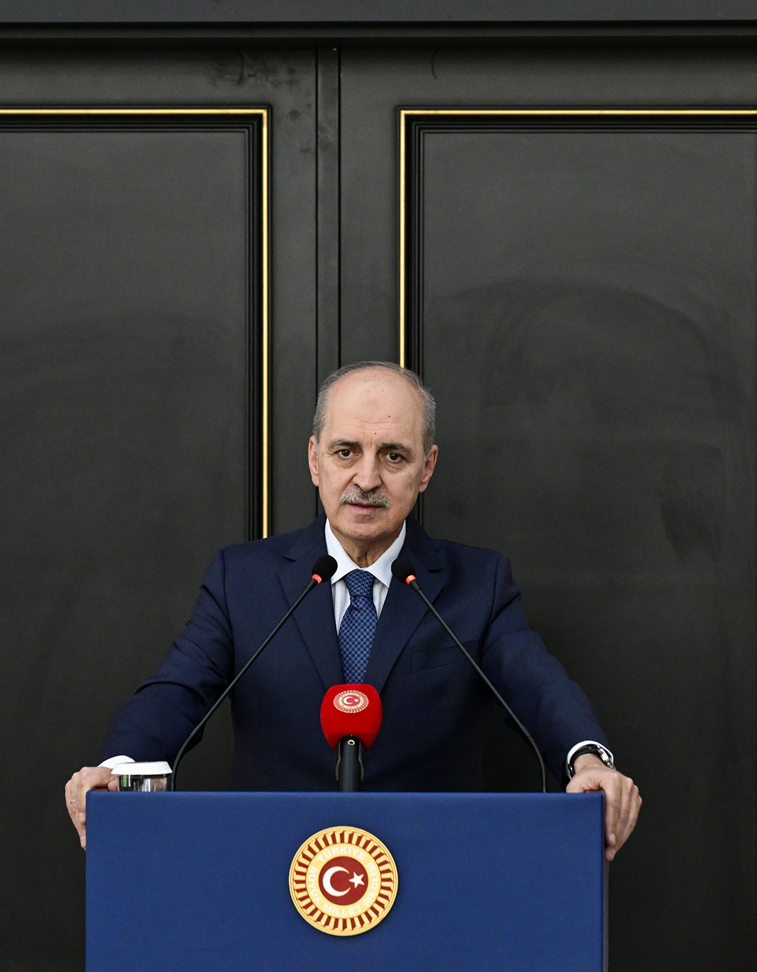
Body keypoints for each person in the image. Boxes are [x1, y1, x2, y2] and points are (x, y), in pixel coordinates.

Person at [65, 361, 641, 858]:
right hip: (274, 868)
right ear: (315, 460)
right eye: (346, 452)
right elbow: (176, 692)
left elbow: (537, 684)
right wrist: (118, 768)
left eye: (393, 456)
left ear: (426, 468)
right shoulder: (242, 580)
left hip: (433, 868)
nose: (367, 479)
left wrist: (588, 760)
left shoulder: (477, 584)